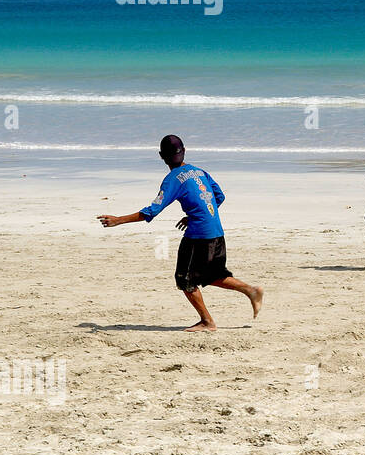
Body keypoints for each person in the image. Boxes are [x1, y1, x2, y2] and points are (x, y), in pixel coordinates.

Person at [96, 135, 264, 332]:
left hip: (199, 237)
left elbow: (152, 211)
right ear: (184, 151)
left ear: (161, 156)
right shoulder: (199, 171)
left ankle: (207, 322)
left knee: (184, 279)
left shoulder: (173, 179)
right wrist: (196, 213)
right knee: (212, 275)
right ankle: (251, 291)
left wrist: (118, 220)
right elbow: (219, 196)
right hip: (217, 232)